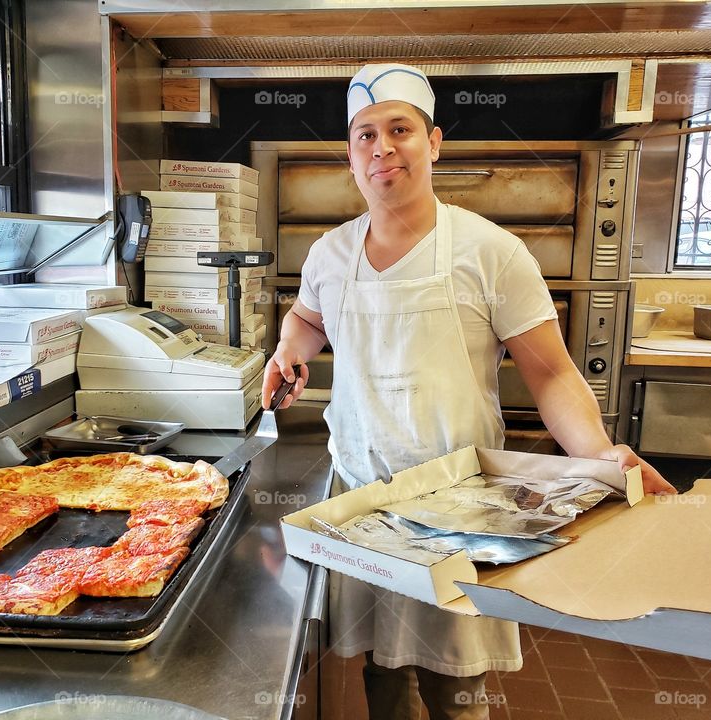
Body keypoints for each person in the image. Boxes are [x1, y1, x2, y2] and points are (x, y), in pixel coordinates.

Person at [262, 63, 676, 720]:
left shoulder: (491, 252)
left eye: (400, 129)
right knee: (383, 672)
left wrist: (598, 452)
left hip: (461, 509)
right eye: (366, 135)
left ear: (434, 142)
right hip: (363, 499)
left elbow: (550, 370)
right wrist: (290, 350)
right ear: (350, 153)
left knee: (458, 685)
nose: (382, 147)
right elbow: (309, 317)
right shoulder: (330, 255)